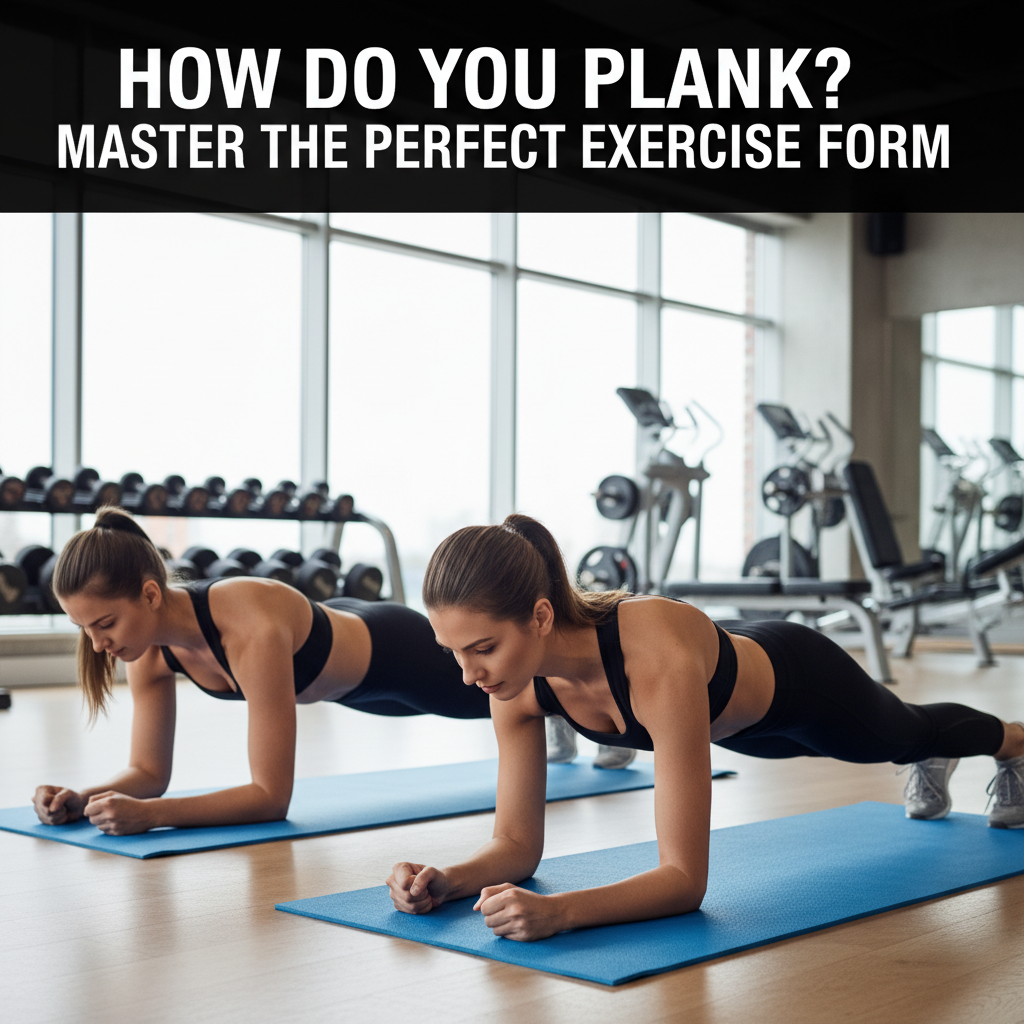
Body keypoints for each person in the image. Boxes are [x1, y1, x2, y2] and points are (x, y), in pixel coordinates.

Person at [385, 513, 1024, 941]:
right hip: (733, 725)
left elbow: (684, 881)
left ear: (542, 615)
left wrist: (561, 912)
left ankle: (1014, 742)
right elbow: (517, 847)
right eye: (454, 653)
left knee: (905, 735)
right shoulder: (514, 688)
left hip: (799, 684)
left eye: (483, 648)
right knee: (880, 740)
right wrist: (450, 879)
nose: (469, 675)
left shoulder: (651, 651)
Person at [32, 506, 492, 835]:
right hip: (348, 687)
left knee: (516, 696)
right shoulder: (149, 651)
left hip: (393, 653)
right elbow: (148, 773)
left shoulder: (248, 624)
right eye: (83, 628)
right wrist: (83, 799)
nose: (97, 644)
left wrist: (152, 815)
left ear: (151, 595)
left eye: (105, 623)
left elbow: (271, 798)